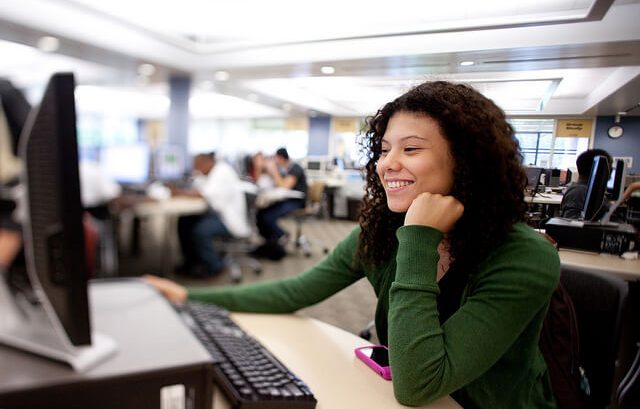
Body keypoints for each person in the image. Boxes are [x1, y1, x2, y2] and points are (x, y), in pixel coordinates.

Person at [145, 81, 560, 408]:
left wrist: (418, 238)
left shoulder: (523, 256)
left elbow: (419, 383)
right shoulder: (381, 231)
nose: (387, 163)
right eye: (383, 149)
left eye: (410, 149)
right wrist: (190, 295)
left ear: (466, 160)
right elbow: (294, 290)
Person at [173, 152, 251, 278]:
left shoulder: (221, 171)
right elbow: (199, 188)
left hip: (228, 220)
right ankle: (191, 264)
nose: (196, 169)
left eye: (197, 165)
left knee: (201, 231)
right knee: (184, 221)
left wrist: (178, 192)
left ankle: (214, 267)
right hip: (217, 214)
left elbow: (204, 194)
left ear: (206, 162)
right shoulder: (212, 172)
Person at [256, 147, 307, 246]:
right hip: (286, 199)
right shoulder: (284, 169)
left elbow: (284, 186)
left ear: (280, 158)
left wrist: (274, 171)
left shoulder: (295, 168)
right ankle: (269, 240)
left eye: (276, 158)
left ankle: (282, 235)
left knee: (268, 217)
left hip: (297, 202)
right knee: (261, 213)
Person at [559, 148, 612, 219]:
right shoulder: (579, 192)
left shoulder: (588, 190)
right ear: (598, 170)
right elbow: (571, 226)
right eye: (609, 168)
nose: (610, 172)